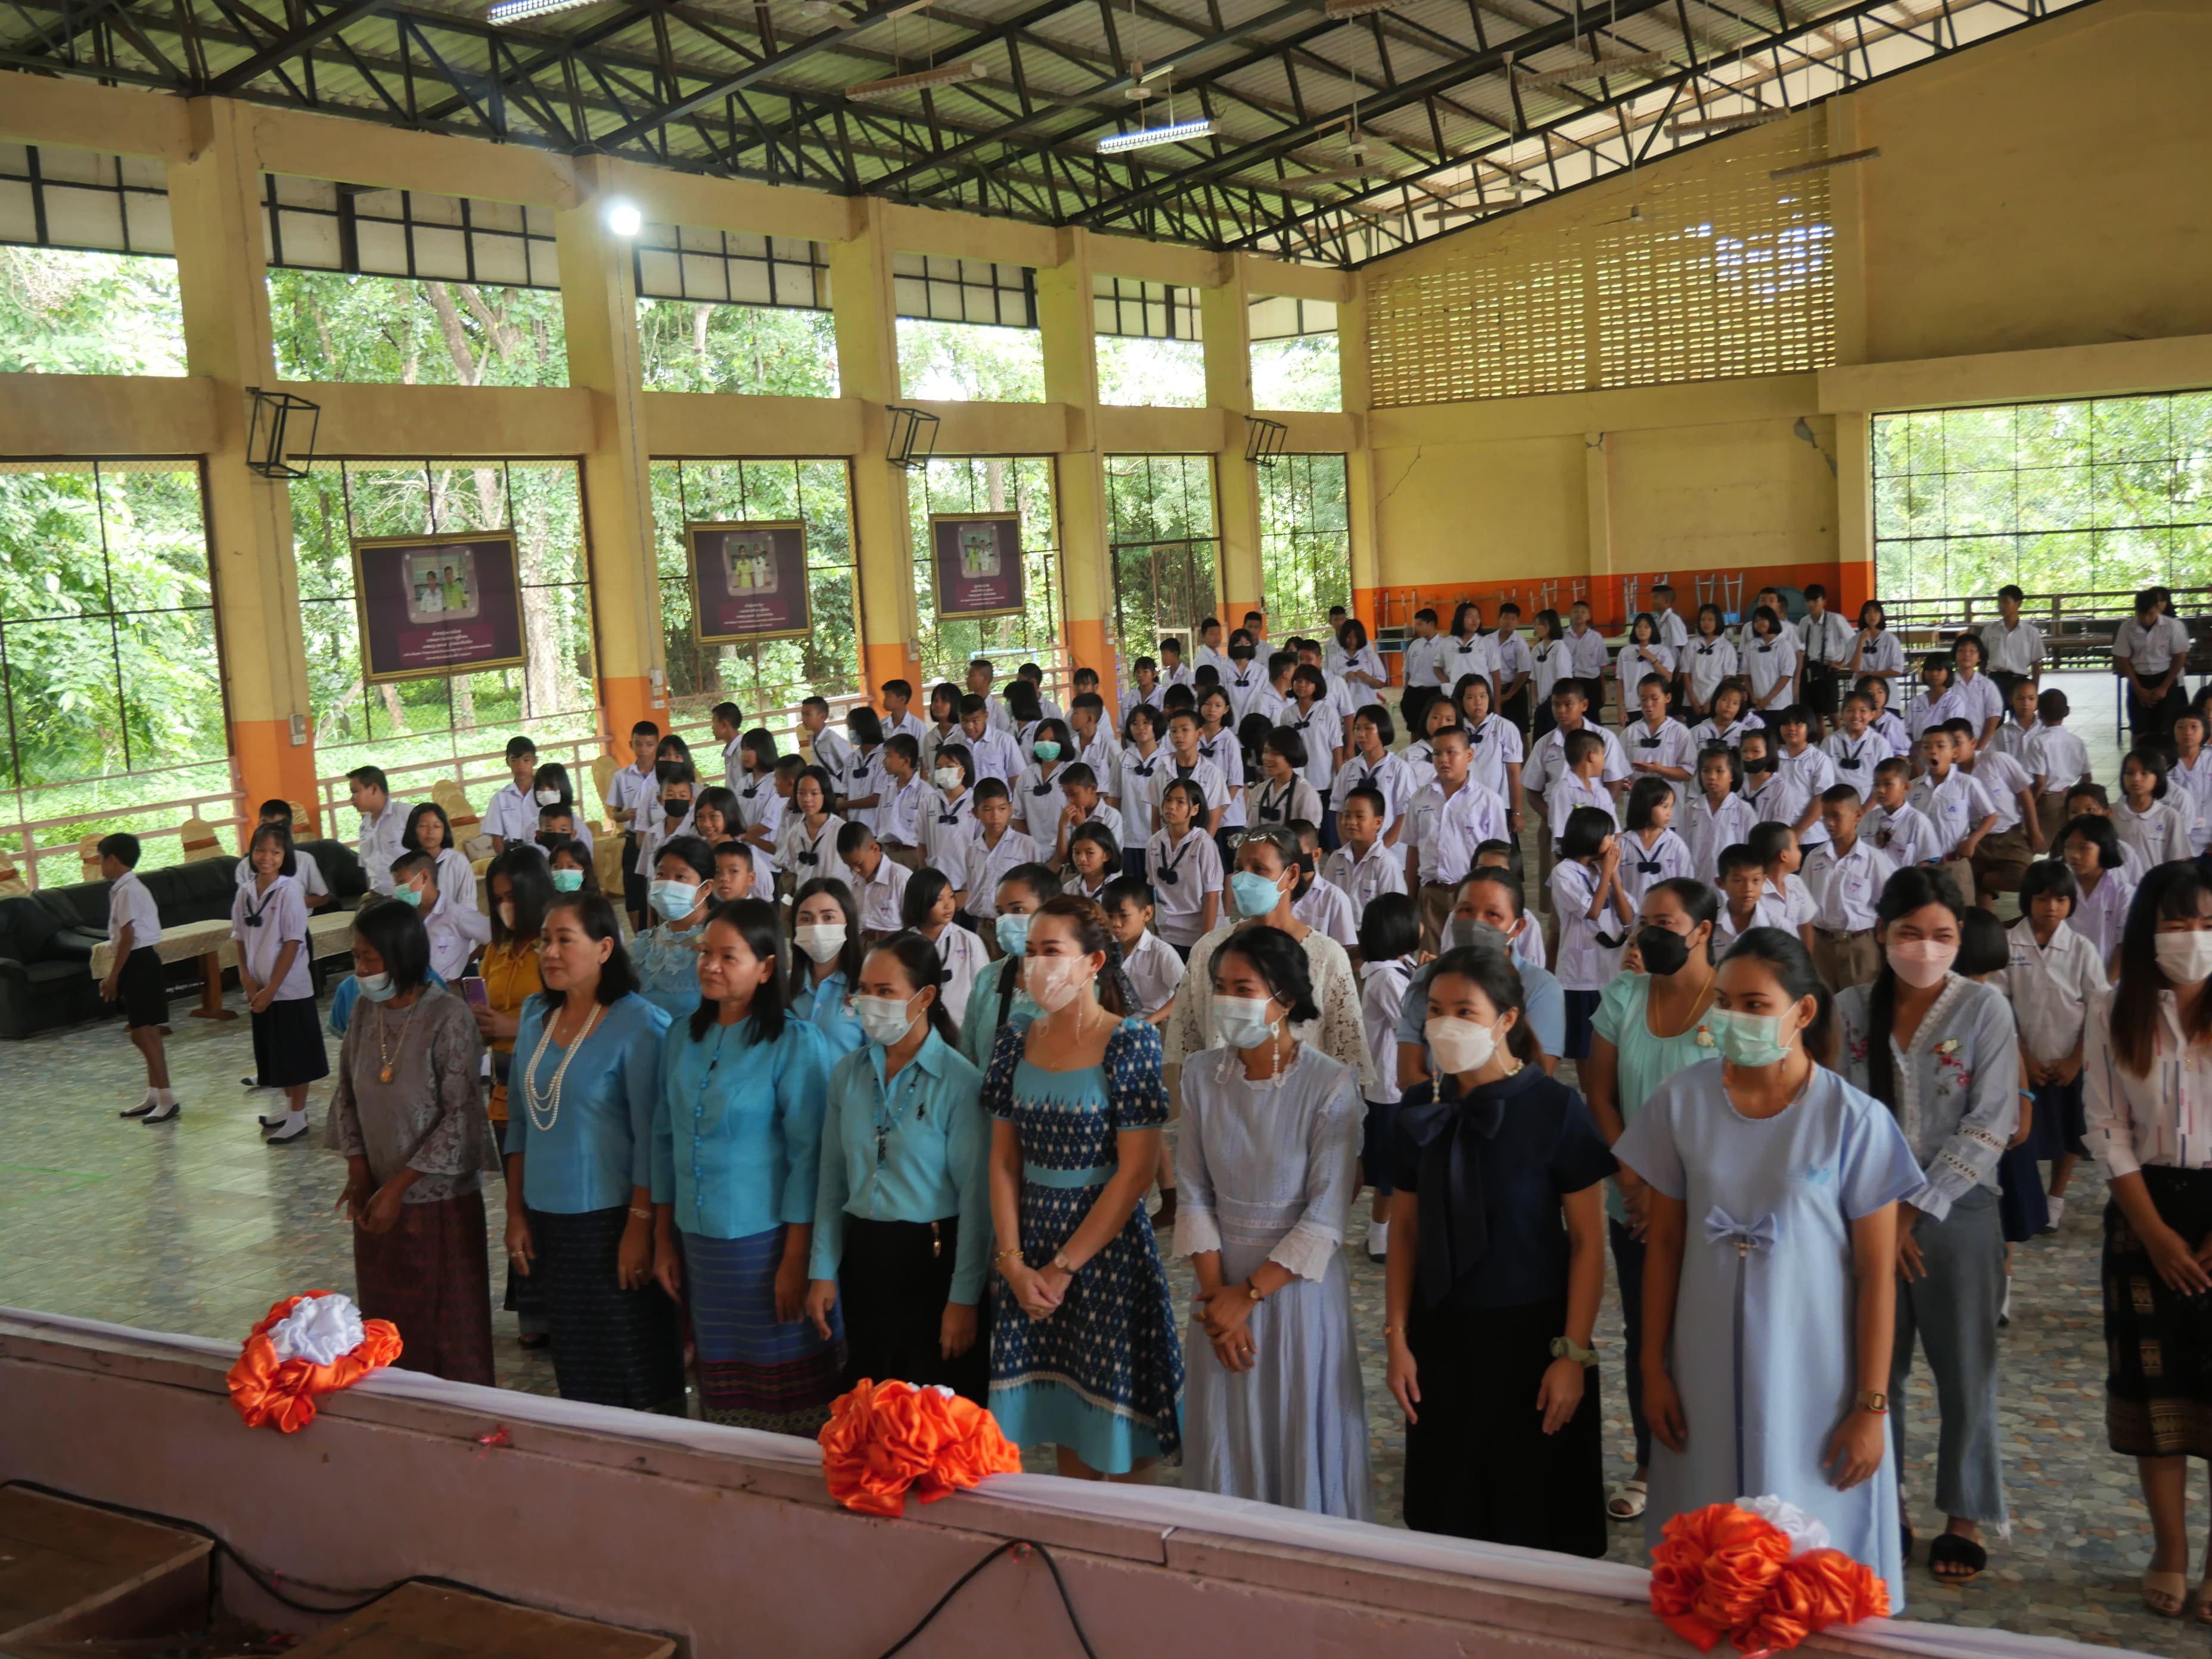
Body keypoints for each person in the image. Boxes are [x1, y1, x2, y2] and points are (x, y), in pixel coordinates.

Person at [1616, 927, 1923, 1613]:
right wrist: (1652, 1368)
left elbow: (1876, 1275)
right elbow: (1663, 1247)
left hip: (1814, 1368)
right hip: (1700, 1363)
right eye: (1723, 1002)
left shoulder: (1852, 1120)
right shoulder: (1681, 1101)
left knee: (1811, 1540)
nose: (1734, 1019)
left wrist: (1870, 1406)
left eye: (1754, 1005)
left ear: (1802, 1012)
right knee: (1707, 1542)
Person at [1385, 945, 1614, 1550]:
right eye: (1435, 1011)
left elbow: (1588, 1244)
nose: (1445, 1025)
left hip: (1534, 1340)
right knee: (1451, 1519)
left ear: (1507, 1019)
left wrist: (1573, 1355)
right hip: (1442, 1335)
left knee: (1533, 1516)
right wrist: (1397, 1338)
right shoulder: (1421, 1108)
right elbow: (1404, 1232)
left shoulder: (1555, 1109)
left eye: (1465, 1011)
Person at [1834, 868, 2017, 1586]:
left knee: (1965, 1366)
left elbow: (1990, 1120)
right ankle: (1888, 1500)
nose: (1924, 948)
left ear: (1959, 938)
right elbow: (1837, 1115)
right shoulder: (1850, 1010)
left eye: (1941, 935)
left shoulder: (1984, 1009)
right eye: (1909, 933)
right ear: (1881, 932)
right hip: (1866, 1212)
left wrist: (1912, 1211)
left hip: (1958, 1208)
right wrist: (1878, 1216)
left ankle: (1965, 1512)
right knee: (1877, 1366)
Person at [983, 895, 1183, 1477]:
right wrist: (1014, 1263)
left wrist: (1063, 1268)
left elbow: (1135, 1173)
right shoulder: (1015, 1040)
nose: (1036, 966)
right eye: (1030, 952)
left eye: (1052, 951)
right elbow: (1004, 1162)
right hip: (1029, 1249)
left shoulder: (1129, 1042)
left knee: (1117, 1430)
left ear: (1094, 962)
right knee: (1063, 1424)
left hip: (1105, 1252)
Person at [1175, 926, 1369, 1515]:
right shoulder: (1200, 1075)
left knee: (1297, 1434)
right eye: (1219, 987)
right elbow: (1193, 1193)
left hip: (1296, 1295)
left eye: (1244, 988)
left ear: (1284, 996)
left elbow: (1325, 1215)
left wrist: (1249, 1295)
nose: (1226, 1000)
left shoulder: (1329, 1084)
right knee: (1228, 1439)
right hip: (1218, 1295)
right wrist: (1218, 1300)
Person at [648, 898, 840, 1431]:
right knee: (724, 1390)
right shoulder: (681, 1036)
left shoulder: (795, 1042)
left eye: (728, 957)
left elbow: (811, 1160)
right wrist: (662, 1238)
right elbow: (664, 1138)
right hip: (699, 1243)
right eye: (704, 953)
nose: (710, 966)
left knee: (787, 1386)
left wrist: (796, 1259)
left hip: (768, 1244)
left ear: (766, 967)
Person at [2081, 861, 2212, 1618]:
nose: (2193, 938)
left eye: (2206, 925)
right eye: (2177, 923)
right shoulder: (2111, 1009)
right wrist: (2154, 1232)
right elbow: (2105, 1126)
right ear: (2147, 929)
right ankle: (2170, 1548)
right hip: (2144, 1209)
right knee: (2154, 1389)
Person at [504, 892, 682, 1412]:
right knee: (578, 1364)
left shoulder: (640, 1024)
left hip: (614, 1221)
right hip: (549, 1221)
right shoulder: (536, 1017)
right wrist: (515, 1213)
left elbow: (653, 1137)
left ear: (604, 948)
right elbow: (520, 1123)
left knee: (632, 1360)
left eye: (565, 940)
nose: (550, 953)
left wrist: (640, 1227)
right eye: (545, 941)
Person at [1580, 877, 1720, 1523]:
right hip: (1632, 1201)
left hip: (1712, 1206)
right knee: (1648, 1332)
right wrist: (1634, 1179)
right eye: (1645, 923)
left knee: (1714, 1335)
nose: (1649, 935)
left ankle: (1715, 1462)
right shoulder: (1624, 996)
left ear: (1703, 931)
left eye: (1666, 924)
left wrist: (1676, 1198)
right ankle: (1649, 1461)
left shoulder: (1732, 1005)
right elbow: (1601, 1095)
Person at [328, 899, 497, 1383]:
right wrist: (359, 1171)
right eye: (357, 957)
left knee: (444, 1326)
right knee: (386, 1322)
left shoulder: (448, 1016)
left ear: (401, 954)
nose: (362, 969)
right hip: (376, 1193)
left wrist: (398, 1188)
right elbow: (347, 1092)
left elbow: (460, 1115)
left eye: (371, 958)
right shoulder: (365, 1010)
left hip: (435, 1201)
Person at [1163, 828, 1376, 1098]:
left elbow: (1349, 1060)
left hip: (1299, 1105)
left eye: (1259, 869)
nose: (1243, 879)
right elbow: (1187, 1046)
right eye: (1239, 868)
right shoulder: (1209, 949)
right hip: (1220, 1101)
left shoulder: (1327, 956)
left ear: (1292, 875)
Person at [474, 849, 551, 1347]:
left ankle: (560, 1305)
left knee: (549, 1198)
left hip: (549, 1081)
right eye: (498, 897)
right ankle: (532, 1310)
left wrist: (513, 1025)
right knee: (518, 1200)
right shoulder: (497, 950)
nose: (505, 906)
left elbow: (572, 1009)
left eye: (512, 896)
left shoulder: (553, 945)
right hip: (505, 1087)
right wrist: (482, 1023)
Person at [1998, 860, 2099, 1235]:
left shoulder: (2082, 949)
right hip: (2022, 1061)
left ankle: (2056, 1196)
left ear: (2071, 903)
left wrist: (2076, 1059)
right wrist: (2023, 1057)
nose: (2051, 908)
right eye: (2042, 899)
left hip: (2069, 1060)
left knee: (2071, 1132)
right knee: (2022, 1131)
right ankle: (2029, 1196)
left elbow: (2098, 1008)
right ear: (2027, 901)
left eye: (2060, 900)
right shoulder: (2009, 944)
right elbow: (1999, 1005)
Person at [232, 823, 327, 1145]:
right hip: (259, 989)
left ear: (285, 856)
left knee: (296, 1054)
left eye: (275, 851)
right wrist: (246, 979)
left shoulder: (289, 892)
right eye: (260, 850)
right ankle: (289, 1111)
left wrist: (272, 988)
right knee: (278, 1052)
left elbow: (292, 943)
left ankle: (298, 1116)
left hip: (288, 989)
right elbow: (239, 938)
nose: (267, 857)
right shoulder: (244, 892)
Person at [1355, 893, 1419, 1263]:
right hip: (1390, 1088)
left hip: (1397, 1083)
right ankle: (1379, 1235)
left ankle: (1390, 1230)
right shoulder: (1385, 978)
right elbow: (1410, 1023)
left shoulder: (1401, 967)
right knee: (1391, 1170)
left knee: (1399, 1164)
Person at [100, 833, 176, 1124]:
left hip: (139, 961)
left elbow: (128, 935)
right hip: (138, 961)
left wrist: (113, 976)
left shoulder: (129, 890)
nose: (100, 866)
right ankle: (155, 1094)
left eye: (101, 860)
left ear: (113, 859)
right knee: (145, 1031)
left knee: (143, 1032)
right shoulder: (124, 888)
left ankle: (167, 1098)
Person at [1551, 805, 1632, 1060]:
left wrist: (1613, 875)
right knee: (1586, 1049)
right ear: (1592, 836)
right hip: (1580, 975)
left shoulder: (1600, 871)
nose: (1614, 841)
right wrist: (1607, 871)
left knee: (1613, 1044)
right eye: (1609, 834)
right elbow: (1593, 912)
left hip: (1610, 969)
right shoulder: (1564, 872)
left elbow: (1628, 919)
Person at [630, 835, 716, 1018]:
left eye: (680, 877)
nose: (668, 884)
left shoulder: (719, 943)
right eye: (661, 875)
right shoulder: (645, 943)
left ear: (707, 887)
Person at [791, 877, 866, 1059]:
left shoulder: (865, 989)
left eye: (828, 917)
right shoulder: (786, 988)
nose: (817, 927)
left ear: (848, 921)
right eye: (806, 919)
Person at [904, 866, 986, 1030]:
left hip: (961, 1029)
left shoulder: (969, 941)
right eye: (938, 899)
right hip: (916, 1028)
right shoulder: (904, 944)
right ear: (920, 901)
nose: (948, 905)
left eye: (951, 896)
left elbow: (983, 992)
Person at [2116, 586, 2191, 742]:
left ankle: (2166, 757)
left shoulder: (2172, 626)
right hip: (2139, 679)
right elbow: (2124, 659)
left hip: (2166, 678)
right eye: (2142, 614)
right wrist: (2138, 689)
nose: (2146, 619)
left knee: (2166, 729)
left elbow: (2180, 657)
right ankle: (2140, 756)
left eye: (2150, 614)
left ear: (2158, 609)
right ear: (2136, 611)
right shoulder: (2127, 627)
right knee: (2139, 730)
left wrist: (2164, 687)